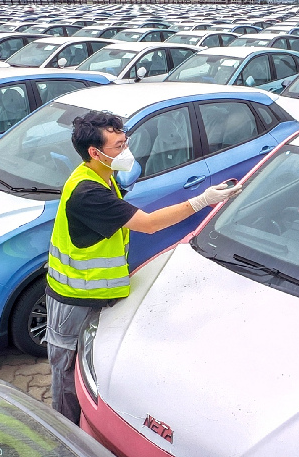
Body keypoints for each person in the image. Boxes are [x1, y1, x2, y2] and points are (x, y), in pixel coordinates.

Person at [45, 110, 240, 423]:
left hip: (95, 291)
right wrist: (203, 200)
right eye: (118, 146)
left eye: (125, 142)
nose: (126, 151)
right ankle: (66, 434)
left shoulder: (102, 177)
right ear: (95, 153)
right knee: (67, 375)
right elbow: (147, 225)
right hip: (73, 301)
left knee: (94, 367)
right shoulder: (89, 192)